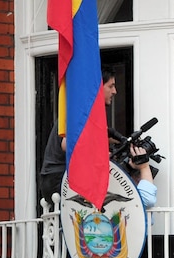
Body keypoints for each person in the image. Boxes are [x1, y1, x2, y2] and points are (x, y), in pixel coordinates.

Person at [39, 68, 118, 204]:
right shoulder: (81, 110)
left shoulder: (89, 110)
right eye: (110, 86)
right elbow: (66, 144)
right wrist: (98, 154)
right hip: (58, 177)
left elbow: (98, 137)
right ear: (98, 87)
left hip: (59, 175)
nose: (114, 91)